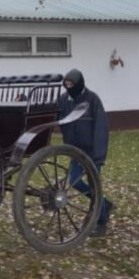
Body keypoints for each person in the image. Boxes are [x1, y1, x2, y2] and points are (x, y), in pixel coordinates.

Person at [58, 69, 114, 237]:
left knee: (95, 186)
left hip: (91, 150)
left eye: (71, 85)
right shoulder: (63, 100)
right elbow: (47, 109)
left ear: (79, 84)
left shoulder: (93, 99)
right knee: (74, 182)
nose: (68, 88)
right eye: (66, 85)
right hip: (75, 151)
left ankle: (101, 221)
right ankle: (103, 203)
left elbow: (101, 129)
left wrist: (99, 155)